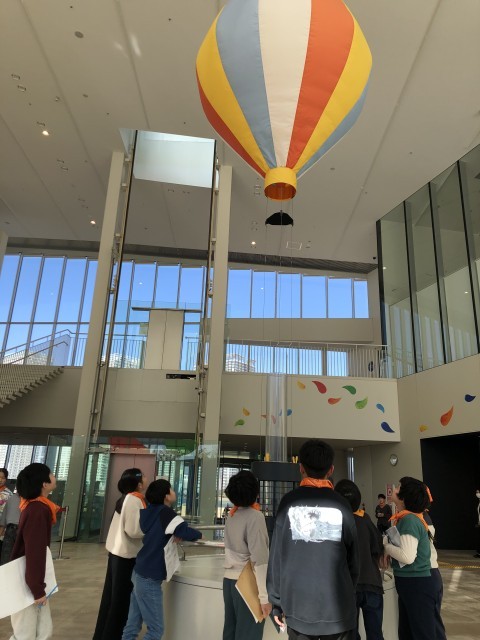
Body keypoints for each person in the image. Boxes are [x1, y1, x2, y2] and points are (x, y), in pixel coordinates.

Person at [267, 439, 359, 640]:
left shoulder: (288, 503)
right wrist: (347, 591)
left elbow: (276, 557)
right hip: (338, 610)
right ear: (331, 469)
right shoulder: (342, 505)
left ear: (301, 468)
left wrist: (276, 602)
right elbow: (354, 561)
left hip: (298, 609)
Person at [121, 479, 202, 640]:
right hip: (149, 578)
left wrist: (174, 532)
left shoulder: (149, 511)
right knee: (156, 630)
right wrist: (200, 535)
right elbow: (184, 531)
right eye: (171, 489)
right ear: (166, 496)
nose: (174, 492)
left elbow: (167, 530)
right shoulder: (166, 513)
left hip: (139, 571)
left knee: (132, 626)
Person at [93, 468, 147, 640]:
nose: (146, 478)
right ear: (139, 483)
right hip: (126, 557)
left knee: (111, 599)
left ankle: (103, 634)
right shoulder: (134, 500)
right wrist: (152, 529)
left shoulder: (125, 498)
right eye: (143, 476)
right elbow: (134, 530)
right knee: (120, 602)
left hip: (117, 554)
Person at [383, 476, 439, 640]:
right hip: (412, 583)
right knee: (409, 631)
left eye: (398, 487)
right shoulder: (407, 518)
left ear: (404, 497)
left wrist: (386, 547)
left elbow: (407, 556)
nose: (394, 489)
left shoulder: (409, 520)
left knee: (421, 633)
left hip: (417, 584)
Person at [9, 463, 58, 640]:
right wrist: (37, 588)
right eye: (51, 474)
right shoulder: (38, 509)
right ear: (44, 483)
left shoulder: (35, 506)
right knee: (27, 633)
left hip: (30, 580)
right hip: (28, 582)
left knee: (41, 631)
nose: (54, 476)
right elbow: (34, 551)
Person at [223, 470, 271, 640]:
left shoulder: (232, 515)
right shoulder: (255, 517)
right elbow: (260, 560)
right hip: (247, 583)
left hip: (229, 582)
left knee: (230, 632)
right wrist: (264, 597)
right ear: (255, 493)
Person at [335, 479, 384, 640]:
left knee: (350, 634)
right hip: (372, 585)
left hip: (349, 588)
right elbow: (378, 547)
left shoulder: (337, 524)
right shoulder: (366, 519)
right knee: (375, 633)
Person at [0, 488, 21, 565]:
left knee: (7, 559)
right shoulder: (12, 498)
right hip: (12, 531)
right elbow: (3, 522)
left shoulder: (10, 497)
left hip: (14, 530)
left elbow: (3, 522)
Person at [0, 468, 13, 555]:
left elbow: (9, 514)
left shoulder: (9, 494)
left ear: (6, 479)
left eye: (3, 478)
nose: (0, 480)